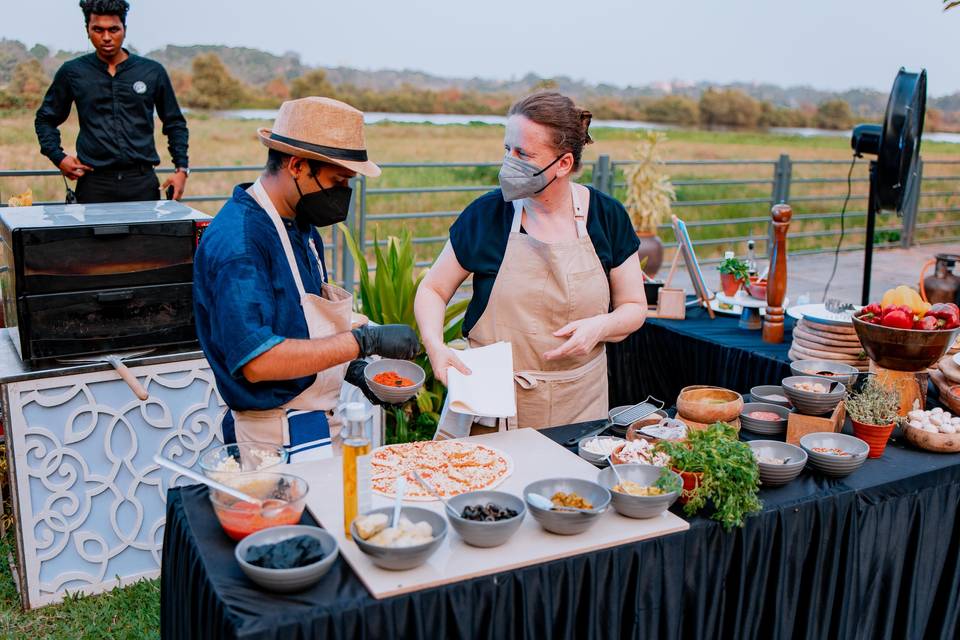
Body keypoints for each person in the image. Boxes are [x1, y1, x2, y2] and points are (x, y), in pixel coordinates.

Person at [194, 97, 419, 461]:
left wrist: (356, 371)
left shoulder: (301, 228)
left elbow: (305, 330)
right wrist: (364, 341)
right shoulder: (241, 241)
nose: (342, 194)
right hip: (271, 438)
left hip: (315, 423)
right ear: (297, 165)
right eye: (337, 180)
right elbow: (259, 362)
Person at [415, 92, 647, 435]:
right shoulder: (487, 215)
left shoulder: (607, 217)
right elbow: (433, 288)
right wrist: (435, 346)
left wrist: (599, 327)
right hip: (492, 409)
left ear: (564, 163)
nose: (510, 162)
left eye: (523, 154)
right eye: (507, 149)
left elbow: (634, 306)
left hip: (580, 407)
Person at [34, 0, 189, 204]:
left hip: (142, 183)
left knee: (146, 237)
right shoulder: (73, 72)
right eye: (98, 29)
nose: (106, 37)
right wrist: (59, 157)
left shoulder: (152, 72)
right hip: (93, 184)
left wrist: (181, 170)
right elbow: (45, 119)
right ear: (87, 30)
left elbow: (175, 123)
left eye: (113, 29)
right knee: (91, 237)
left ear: (124, 29)